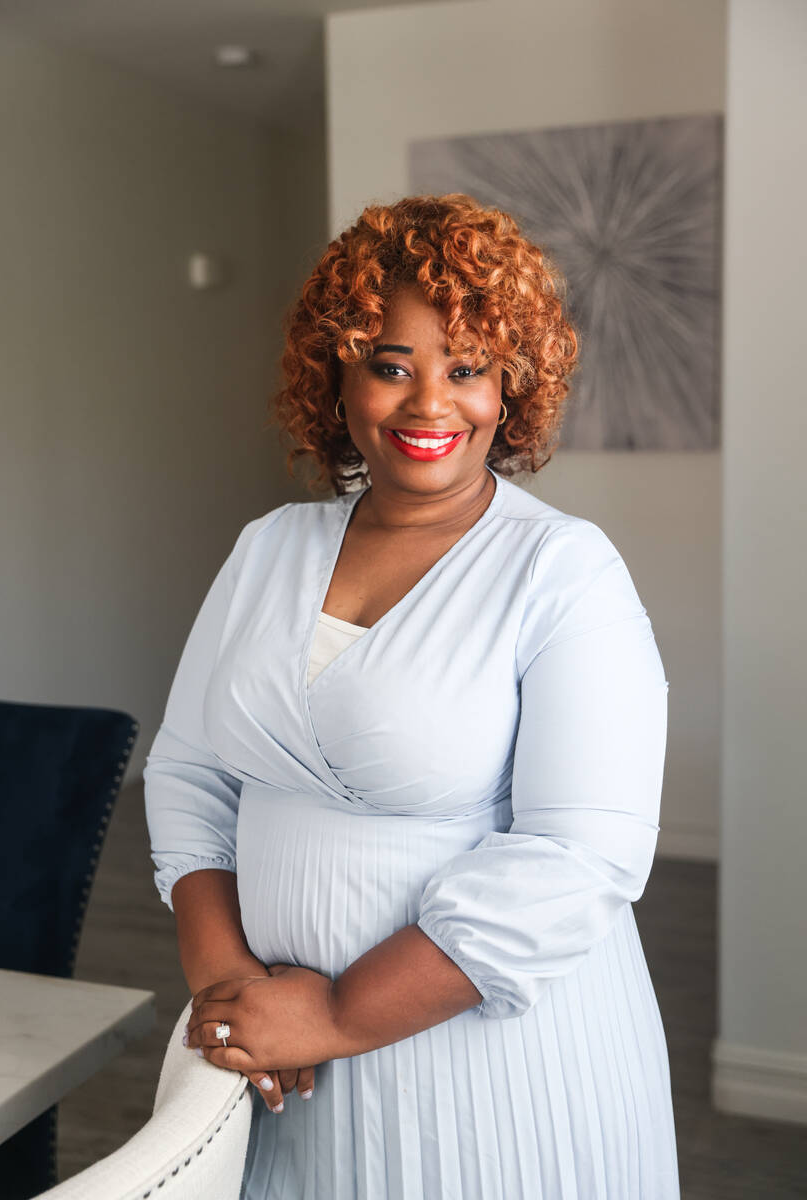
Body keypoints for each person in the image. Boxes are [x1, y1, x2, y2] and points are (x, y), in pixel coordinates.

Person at [143, 193, 681, 1199]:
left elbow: (580, 857)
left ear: (511, 387)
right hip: (273, 1060)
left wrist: (339, 1013)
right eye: (391, 366)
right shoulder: (268, 549)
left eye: (466, 370)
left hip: (493, 1072)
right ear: (336, 378)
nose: (431, 405)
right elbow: (187, 770)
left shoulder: (562, 570)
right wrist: (228, 986)